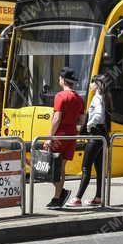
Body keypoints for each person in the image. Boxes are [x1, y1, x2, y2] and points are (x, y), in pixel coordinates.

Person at [42, 67, 84, 208]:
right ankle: (58, 195)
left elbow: (56, 119)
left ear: (63, 80)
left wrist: (49, 137)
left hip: (60, 136)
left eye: (60, 78)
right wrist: (75, 132)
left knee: (50, 167)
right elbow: (82, 120)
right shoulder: (79, 98)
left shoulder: (60, 96)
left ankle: (60, 194)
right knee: (61, 167)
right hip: (71, 136)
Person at [69, 76, 111, 207]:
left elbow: (98, 115)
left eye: (92, 82)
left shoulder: (97, 98)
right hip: (102, 135)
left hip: (95, 135)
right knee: (99, 169)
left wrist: (88, 125)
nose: (90, 85)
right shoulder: (104, 97)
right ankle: (98, 197)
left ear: (97, 85)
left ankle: (77, 199)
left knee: (86, 168)